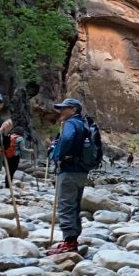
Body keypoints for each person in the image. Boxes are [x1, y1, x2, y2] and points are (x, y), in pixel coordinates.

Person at [49, 98, 91, 257]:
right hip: (81, 171)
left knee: (66, 204)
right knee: (74, 205)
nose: (60, 111)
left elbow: (67, 139)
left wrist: (59, 157)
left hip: (69, 169)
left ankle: (69, 242)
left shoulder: (71, 123)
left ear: (73, 109)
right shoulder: (83, 124)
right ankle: (73, 239)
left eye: (64, 108)